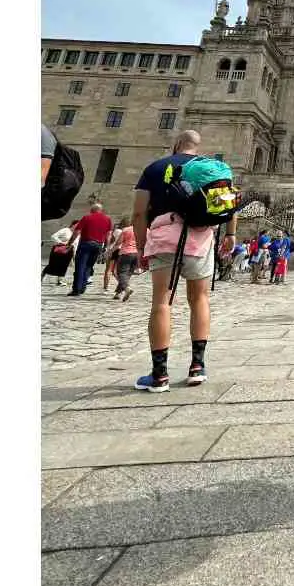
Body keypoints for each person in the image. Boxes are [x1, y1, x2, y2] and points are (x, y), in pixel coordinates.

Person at [131, 130, 235, 392]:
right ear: (196, 146)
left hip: (164, 238)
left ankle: (159, 375)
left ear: (177, 143)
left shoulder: (155, 168)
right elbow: (229, 203)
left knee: (162, 303)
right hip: (199, 240)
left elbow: (139, 212)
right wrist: (231, 235)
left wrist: (141, 247)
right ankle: (197, 367)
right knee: (199, 300)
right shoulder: (210, 168)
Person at [69, 202, 113, 296]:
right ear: (101, 210)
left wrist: (70, 242)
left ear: (92, 210)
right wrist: (106, 246)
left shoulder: (86, 217)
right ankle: (83, 287)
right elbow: (109, 234)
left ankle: (77, 289)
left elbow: (77, 231)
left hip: (86, 243)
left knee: (80, 266)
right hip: (98, 245)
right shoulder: (108, 219)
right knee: (89, 266)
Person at [111, 217, 139, 302]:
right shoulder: (144, 230)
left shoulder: (126, 230)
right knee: (127, 274)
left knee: (121, 273)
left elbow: (118, 243)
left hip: (125, 253)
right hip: (137, 254)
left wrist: (111, 251)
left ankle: (127, 288)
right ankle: (118, 293)